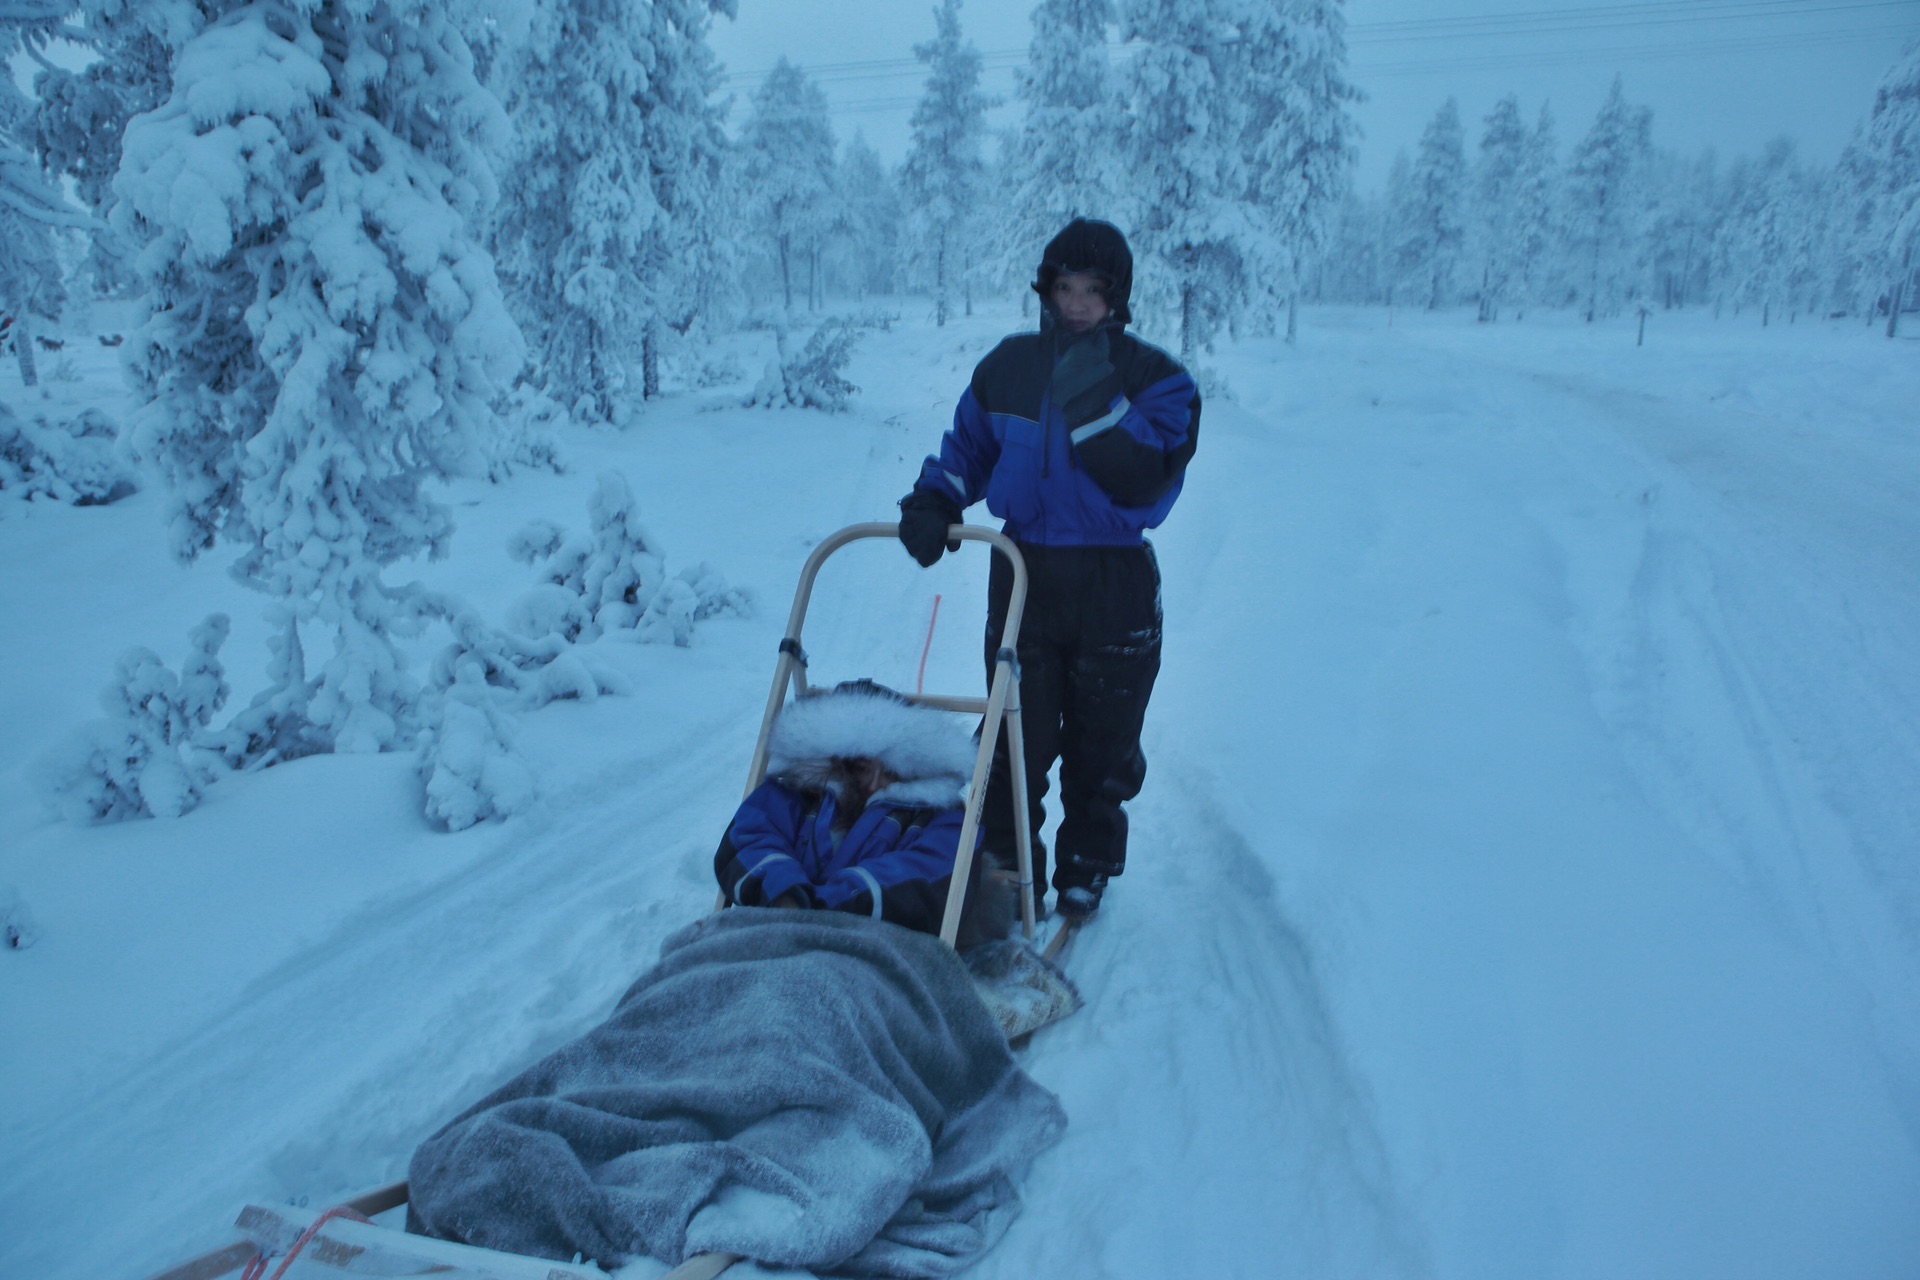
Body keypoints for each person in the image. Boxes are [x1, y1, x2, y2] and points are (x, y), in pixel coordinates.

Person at [895, 218, 1199, 922]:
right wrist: (935, 497)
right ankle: (1006, 866)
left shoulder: (1159, 380)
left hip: (1115, 580)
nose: (1078, 303)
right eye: (1066, 287)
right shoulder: (1009, 366)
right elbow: (967, 446)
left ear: (1118, 296)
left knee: (1104, 740)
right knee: (1014, 733)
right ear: (1047, 289)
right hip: (1024, 570)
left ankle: (1086, 867)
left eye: (1095, 290)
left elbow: (1143, 479)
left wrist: (1090, 385)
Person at [715, 678, 1013, 946]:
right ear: (835, 761)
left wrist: (820, 910)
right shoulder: (793, 794)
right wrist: (786, 896)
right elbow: (750, 837)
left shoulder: (938, 819)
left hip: (873, 954)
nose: (874, 784)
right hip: (772, 932)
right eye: (859, 768)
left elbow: (927, 875)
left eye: (892, 770)